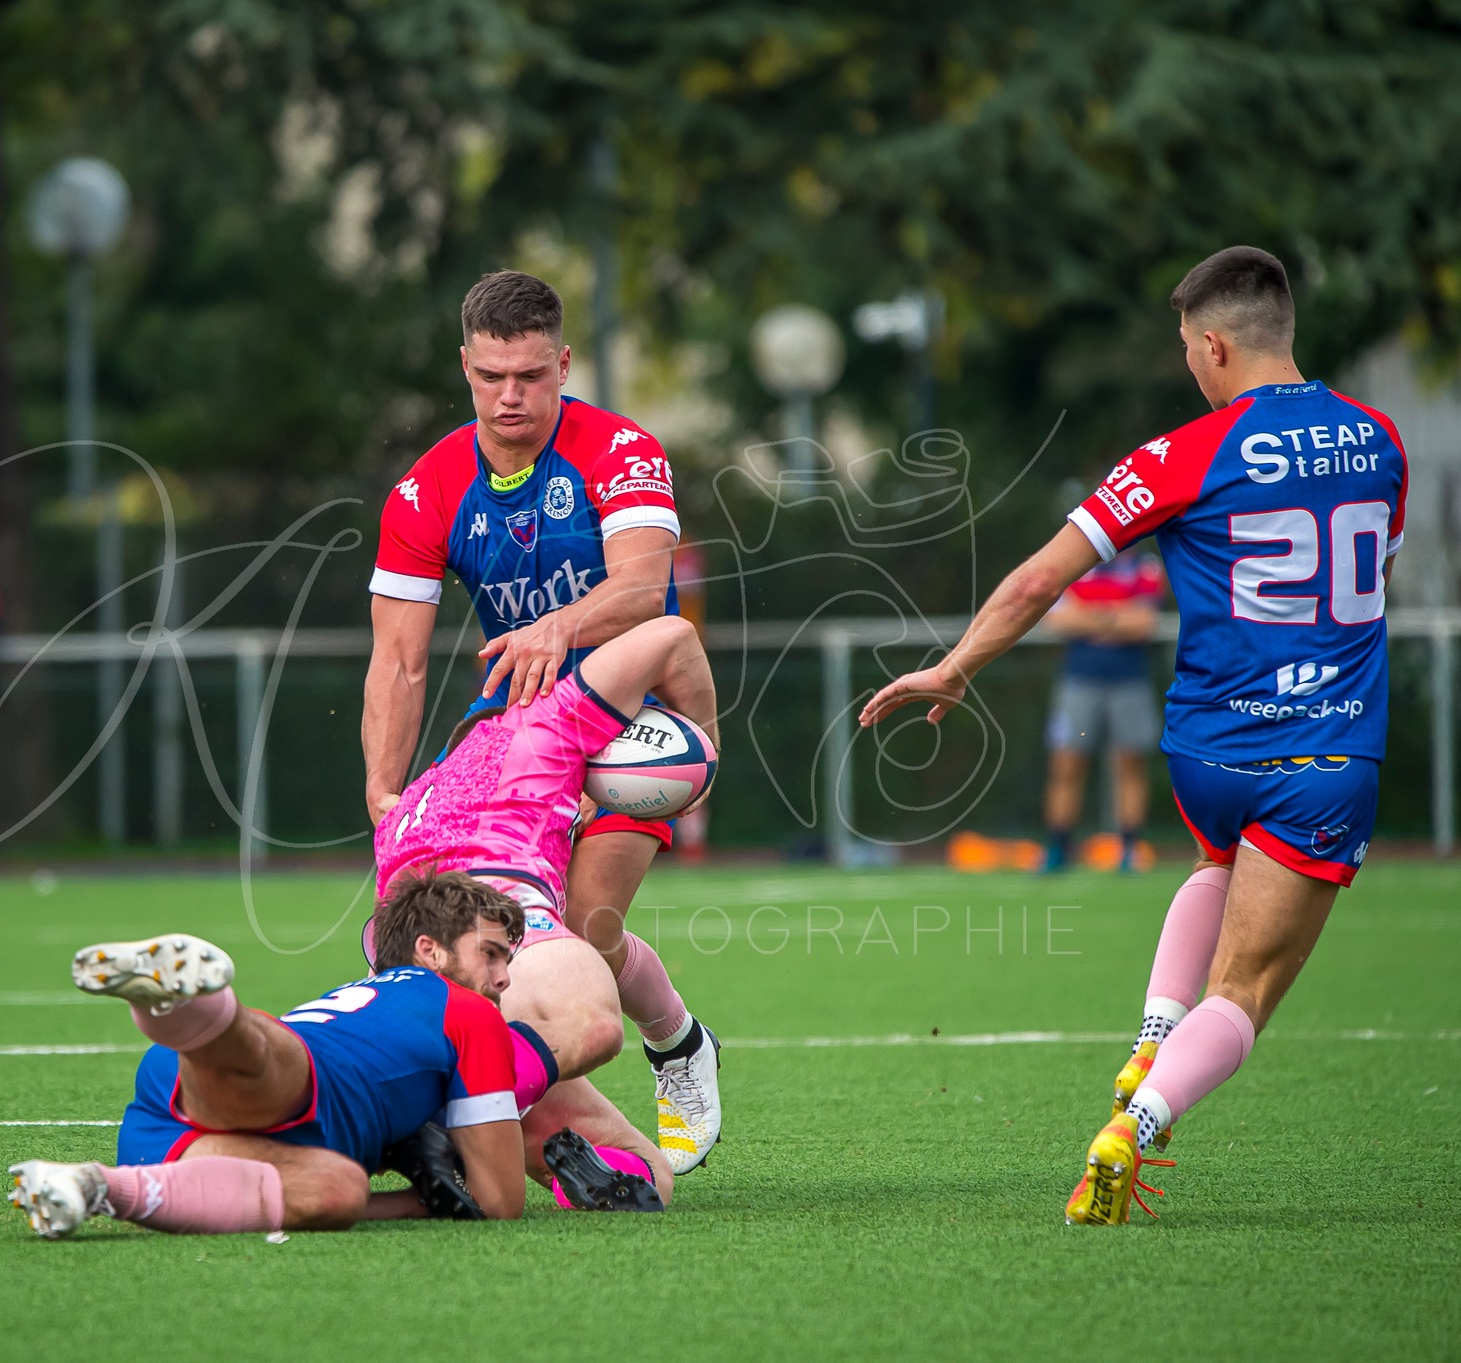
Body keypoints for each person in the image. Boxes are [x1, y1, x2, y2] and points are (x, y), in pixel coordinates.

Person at [858, 246, 1407, 1225]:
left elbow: (1039, 577)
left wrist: (955, 667)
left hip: (1207, 751)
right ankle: (1135, 1124)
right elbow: (1373, 584)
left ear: (1213, 345)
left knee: (1215, 862)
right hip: (1323, 758)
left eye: (1188, 349)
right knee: (1244, 990)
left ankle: (1155, 1029)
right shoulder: (1378, 441)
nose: (1189, 367)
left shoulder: (1178, 454)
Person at [362, 269, 723, 1173]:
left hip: (625, 727)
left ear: (563, 364)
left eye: (529, 375)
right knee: (488, 949)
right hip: (511, 730)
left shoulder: (621, 449)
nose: (510, 396)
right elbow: (399, 659)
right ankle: (514, 1122)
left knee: (583, 928)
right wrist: (382, 788)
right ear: (465, 366)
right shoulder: (427, 488)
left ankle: (678, 1044)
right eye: (491, 377)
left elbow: (644, 589)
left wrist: (561, 628)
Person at [6, 871, 661, 1238]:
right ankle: (182, 1002)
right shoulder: (466, 1015)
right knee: (272, 1065)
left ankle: (91, 1185)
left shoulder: (371, 993)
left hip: (182, 1126)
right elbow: (500, 1202)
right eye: (491, 954)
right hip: (286, 1081)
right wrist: (447, 1169)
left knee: (338, 1191)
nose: (504, 978)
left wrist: (422, 1194)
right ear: (430, 950)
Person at [374, 613, 716, 1196]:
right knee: (592, 1023)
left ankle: (451, 1122)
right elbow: (674, 636)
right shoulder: (544, 722)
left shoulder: (405, 807)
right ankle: (447, 1116)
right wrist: (705, 758)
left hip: (405, 975)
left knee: (648, 1175)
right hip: (491, 922)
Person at [1041, 542, 1165, 871]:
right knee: (1066, 763)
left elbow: (1143, 623)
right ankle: (1058, 849)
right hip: (1078, 680)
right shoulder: (1074, 562)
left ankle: (1129, 849)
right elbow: (1058, 620)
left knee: (1130, 763)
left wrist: (1088, 617)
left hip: (1130, 680)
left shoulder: (1144, 565)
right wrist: (1115, 618)